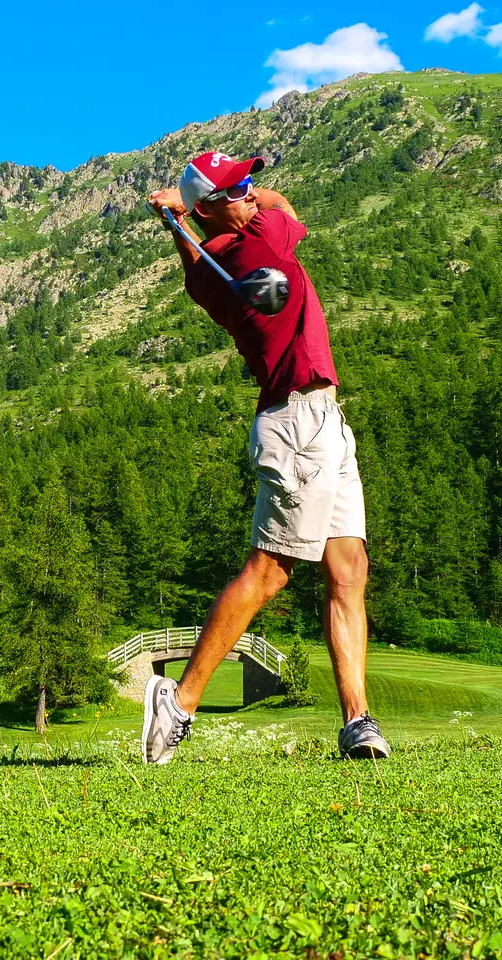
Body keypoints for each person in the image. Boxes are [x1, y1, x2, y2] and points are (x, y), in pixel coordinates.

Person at [140, 151, 389, 764]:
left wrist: (183, 221)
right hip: (298, 424)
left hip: (323, 420)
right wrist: (198, 213)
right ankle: (179, 702)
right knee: (270, 572)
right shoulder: (265, 244)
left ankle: (357, 720)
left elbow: (198, 266)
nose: (251, 193)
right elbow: (284, 208)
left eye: (248, 181)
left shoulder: (210, 272)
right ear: (212, 207)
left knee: (348, 568)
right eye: (237, 188)